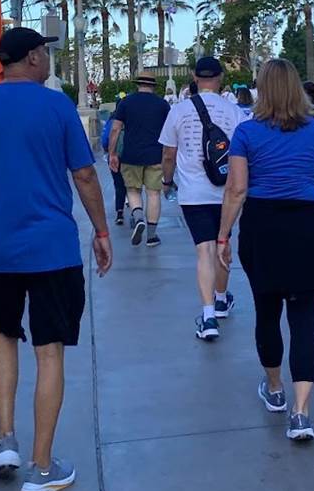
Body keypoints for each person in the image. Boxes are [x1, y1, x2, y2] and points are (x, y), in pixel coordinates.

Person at [0, 27, 114, 491]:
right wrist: (102, 232)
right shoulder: (57, 107)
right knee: (49, 350)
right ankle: (42, 468)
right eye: (46, 52)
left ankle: (5, 441)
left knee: (3, 334)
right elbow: (85, 175)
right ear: (35, 57)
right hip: (51, 249)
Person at [218, 58, 314, 442]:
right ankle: (301, 413)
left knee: (267, 311)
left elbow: (236, 189)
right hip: (307, 223)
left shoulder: (246, 132)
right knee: (304, 319)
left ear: (262, 90)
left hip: (263, 224)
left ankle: (275, 388)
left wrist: (223, 236)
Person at [160, 55, 242, 340]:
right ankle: (221, 299)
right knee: (223, 244)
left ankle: (208, 317)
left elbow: (168, 154)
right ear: (221, 78)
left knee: (204, 251)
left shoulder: (179, 110)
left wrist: (167, 181)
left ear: (195, 77)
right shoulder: (233, 112)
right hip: (227, 193)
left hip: (193, 193)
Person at [109, 73, 170, 246]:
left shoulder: (126, 103)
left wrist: (112, 153)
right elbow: (170, 131)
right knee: (153, 193)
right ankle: (151, 236)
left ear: (137, 85)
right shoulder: (162, 104)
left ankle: (138, 217)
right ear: (153, 86)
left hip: (131, 155)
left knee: (133, 190)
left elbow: (115, 129)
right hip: (155, 155)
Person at [99, 112, 127, 227]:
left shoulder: (112, 121)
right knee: (133, 186)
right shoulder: (133, 119)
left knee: (119, 184)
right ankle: (137, 212)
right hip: (131, 156)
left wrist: (109, 152)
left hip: (116, 156)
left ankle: (119, 212)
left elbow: (105, 139)